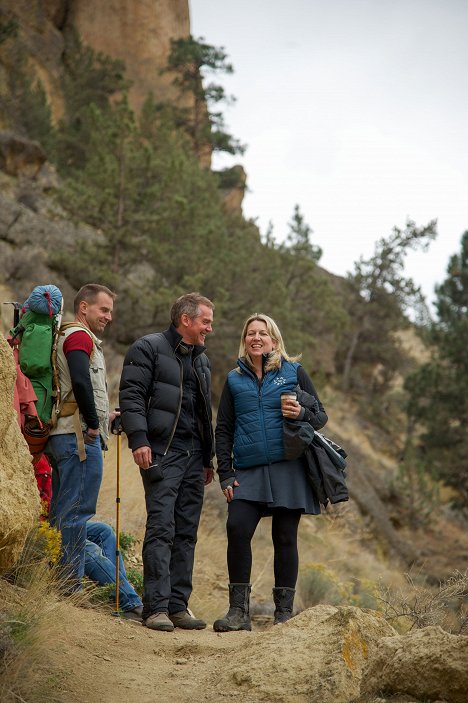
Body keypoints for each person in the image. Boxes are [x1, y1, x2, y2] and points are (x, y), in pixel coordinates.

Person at [213, 313, 328, 631]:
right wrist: (225, 472)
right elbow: (223, 428)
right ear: (245, 340)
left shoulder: (294, 372)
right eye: (251, 333)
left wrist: (302, 411)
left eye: (263, 333)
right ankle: (239, 613)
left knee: (285, 537)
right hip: (248, 470)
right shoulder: (234, 379)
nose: (256, 337)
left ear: (274, 340)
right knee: (237, 527)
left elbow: (320, 416)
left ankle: (283, 615)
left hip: (289, 469)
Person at [119, 292, 215, 632]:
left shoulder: (202, 360)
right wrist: (139, 439)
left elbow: (205, 413)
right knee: (162, 527)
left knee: (187, 532)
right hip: (162, 453)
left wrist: (208, 458)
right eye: (206, 321)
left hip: (194, 458)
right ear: (185, 320)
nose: (210, 328)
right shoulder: (147, 347)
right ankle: (156, 608)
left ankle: (178, 606)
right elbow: (131, 395)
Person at [46, 283, 117, 590]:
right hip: (78, 440)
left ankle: (55, 578)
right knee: (77, 512)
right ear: (84, 307)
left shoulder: (67, 334)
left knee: (63, 512)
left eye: (111, 311)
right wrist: (91, 424)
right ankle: (68, 585)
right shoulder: (78, 335)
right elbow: (80, 379)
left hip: (64, 435)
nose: (109, 317)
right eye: (104, 309)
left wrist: (104, 417)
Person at [84, 521, 143, 621]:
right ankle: (131, 604)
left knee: (105, 531)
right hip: (55, 530)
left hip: (64, 523)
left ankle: (120, 596)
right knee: (89, 549)